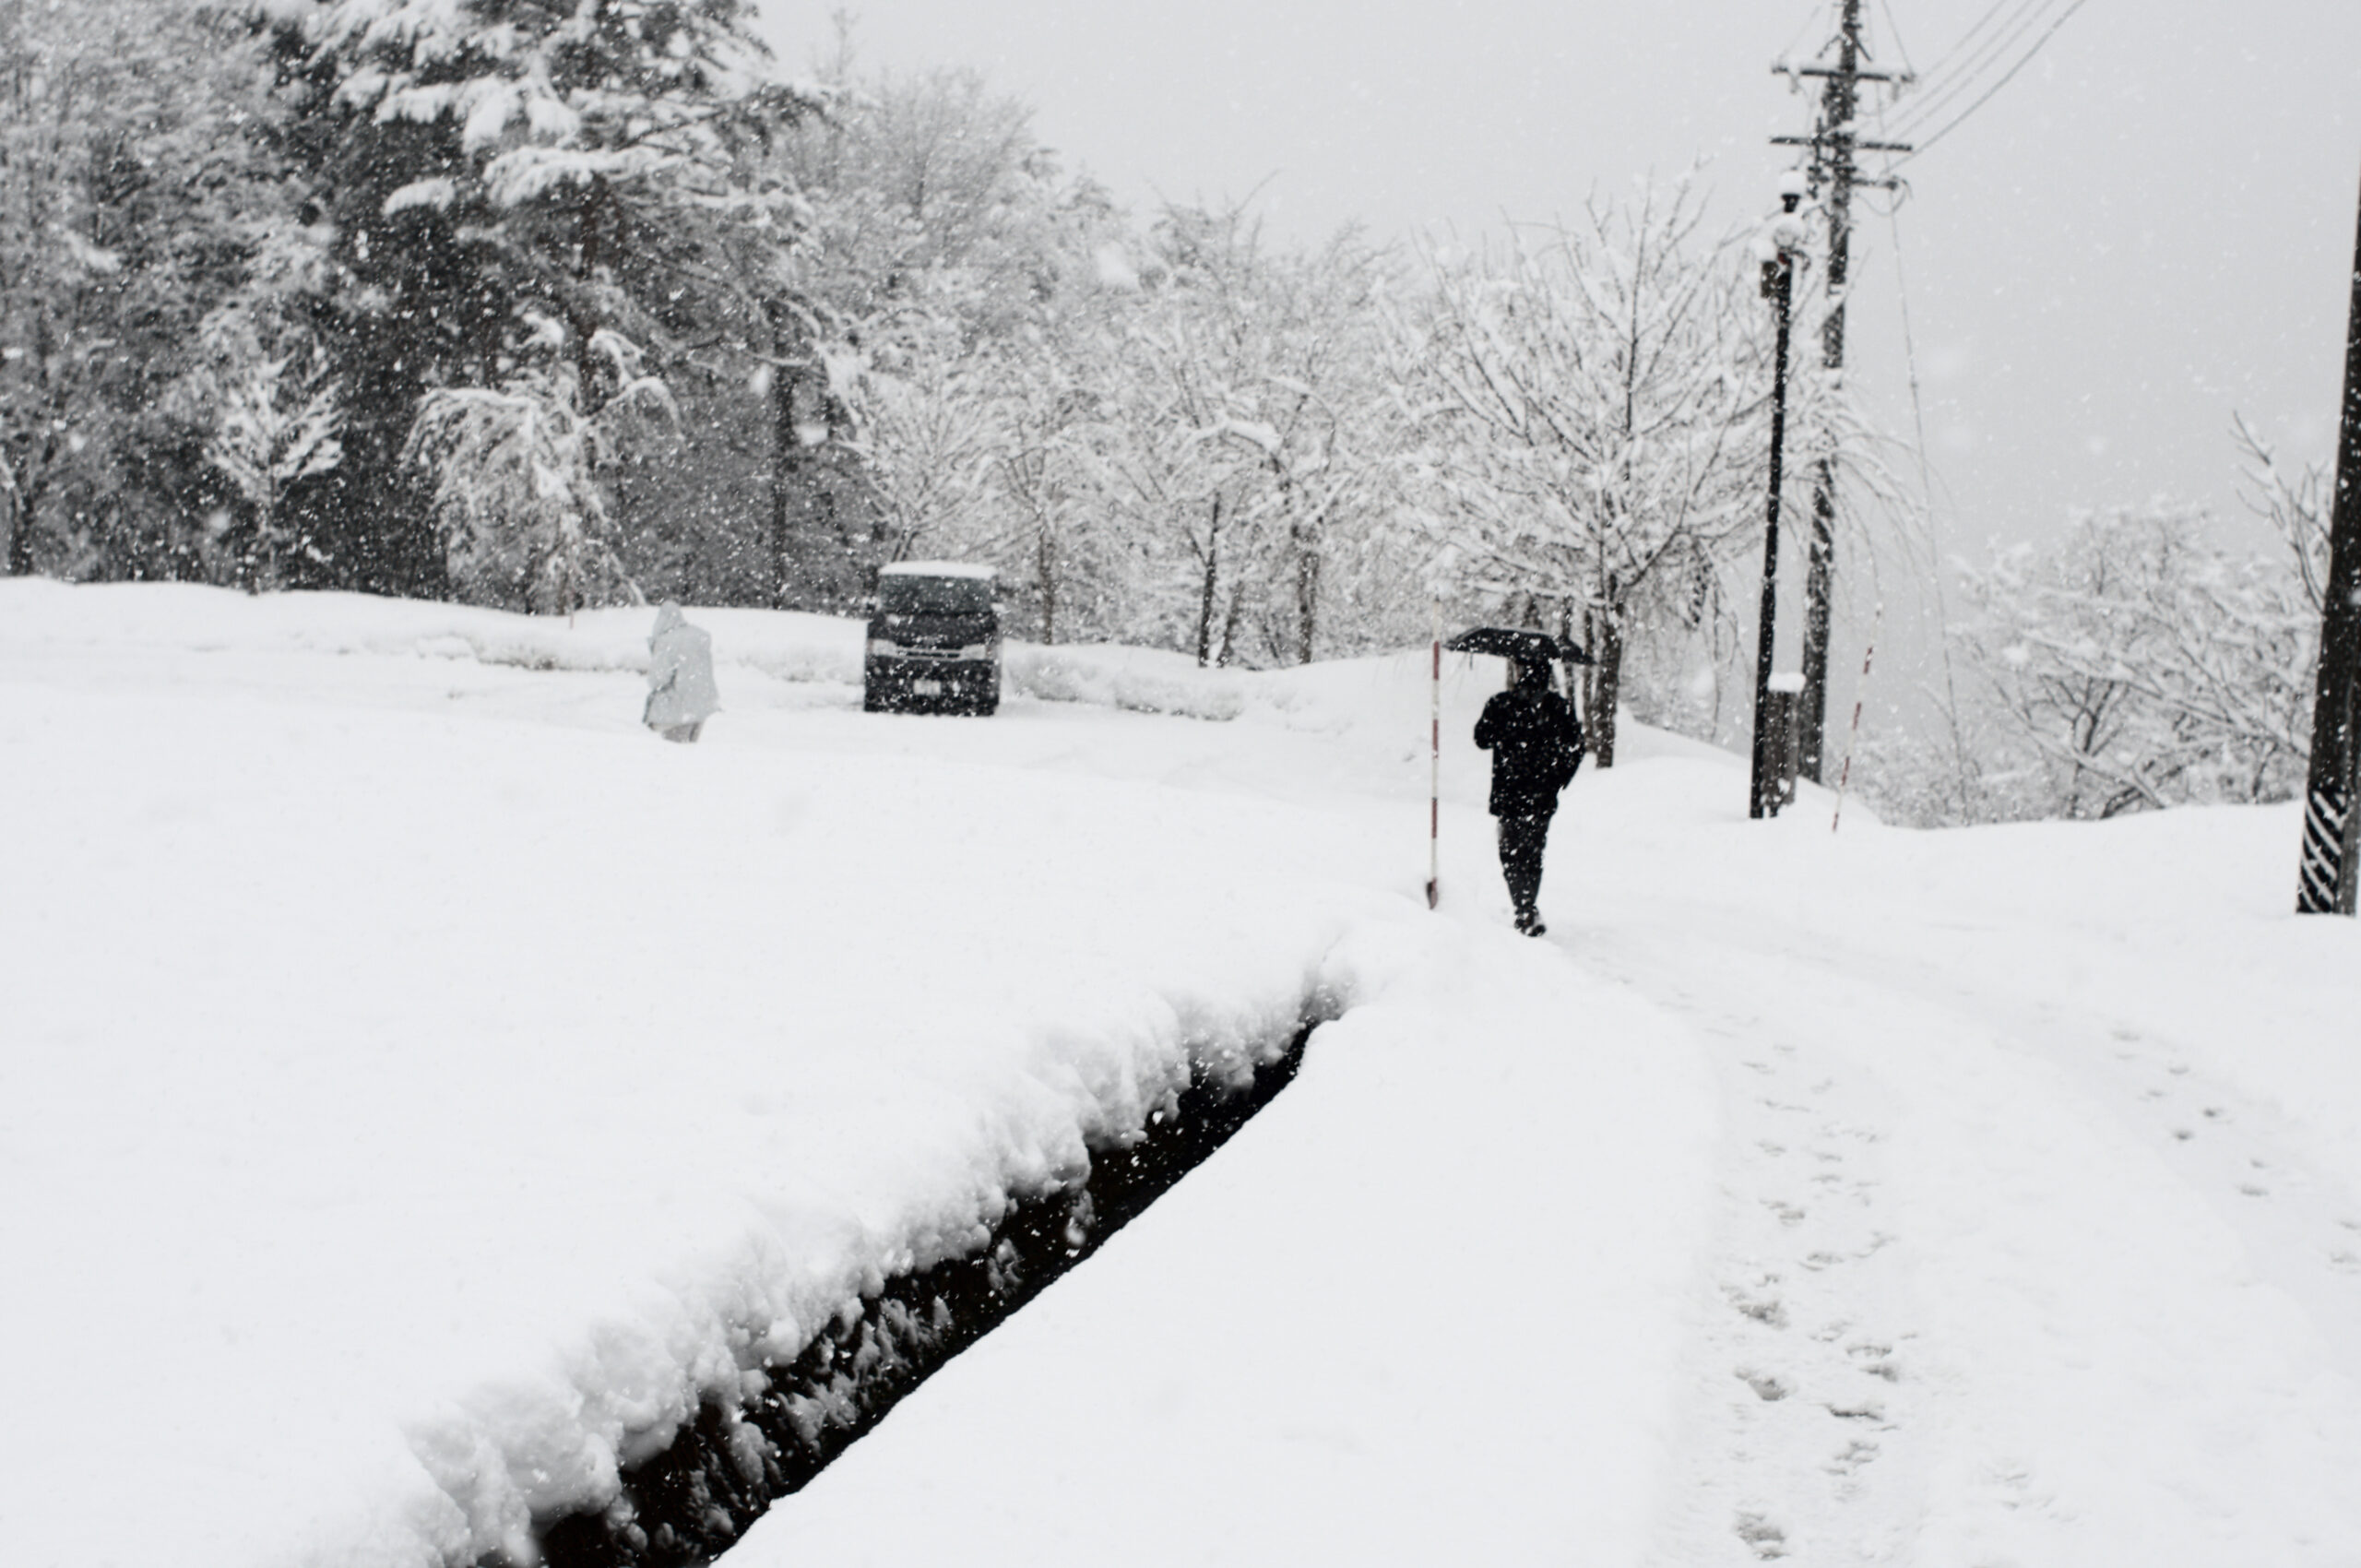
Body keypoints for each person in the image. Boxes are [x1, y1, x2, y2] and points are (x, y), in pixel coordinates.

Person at [1473, 656, 1585, 936]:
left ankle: (1523, 908)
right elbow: (1576, 750)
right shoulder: (1558, 707)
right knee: (1532, 853)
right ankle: (1527, 907)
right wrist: (1558, 780)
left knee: (1511, 853)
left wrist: (1502, 724)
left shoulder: (1502, 704)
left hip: (1509, 793)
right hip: (1541, 796)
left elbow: (1481, 738)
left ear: (1520, 672)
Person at [644, 602, 719, 742]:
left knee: (673, 754)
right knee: (691, 751)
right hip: (702, 706)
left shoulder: (666, 641)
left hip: (676, 710)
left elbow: (658, 679)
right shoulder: (699, 636)